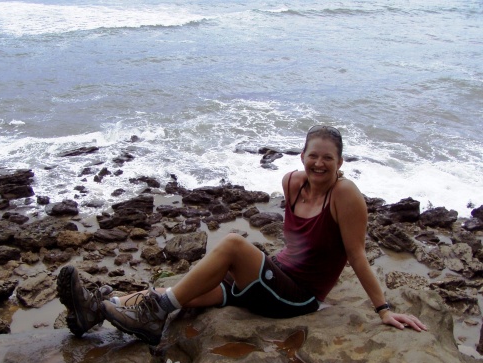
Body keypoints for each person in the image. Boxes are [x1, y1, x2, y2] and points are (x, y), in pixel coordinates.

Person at [57, 125, 427, 346]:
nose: (319, 163)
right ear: (302, 156)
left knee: (234, 243)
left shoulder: (346, 196)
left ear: (340, 162)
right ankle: (100, 306)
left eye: (328, 158)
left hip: (298, 298)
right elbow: (297, 246)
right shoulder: (292, 183)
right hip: (270, 281)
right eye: (313, 155)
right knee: (191, 292)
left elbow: (357, 254)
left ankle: (154, 317)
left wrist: (383, 310)